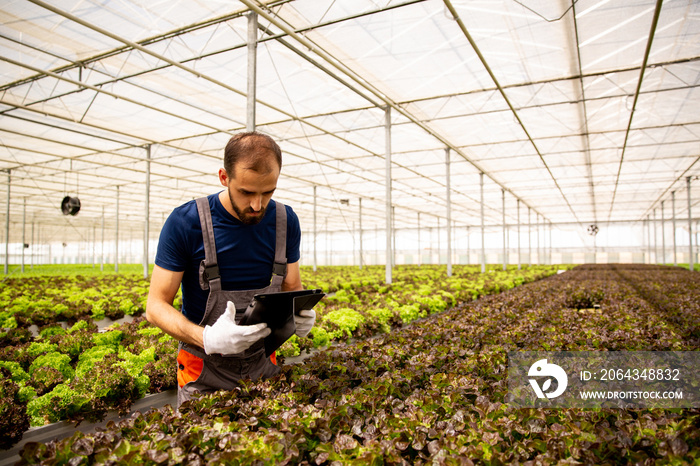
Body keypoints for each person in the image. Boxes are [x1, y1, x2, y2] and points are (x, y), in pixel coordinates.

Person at [146, 131, 315, 406]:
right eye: (246, 192)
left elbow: (291, 287)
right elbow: (155, 306)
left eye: (268, 192)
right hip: (204, 372)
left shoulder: (286, 221)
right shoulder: (186, 222)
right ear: (224, 177)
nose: (257, 205)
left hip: (264, 366)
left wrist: (299, 313)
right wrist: (207, 338)